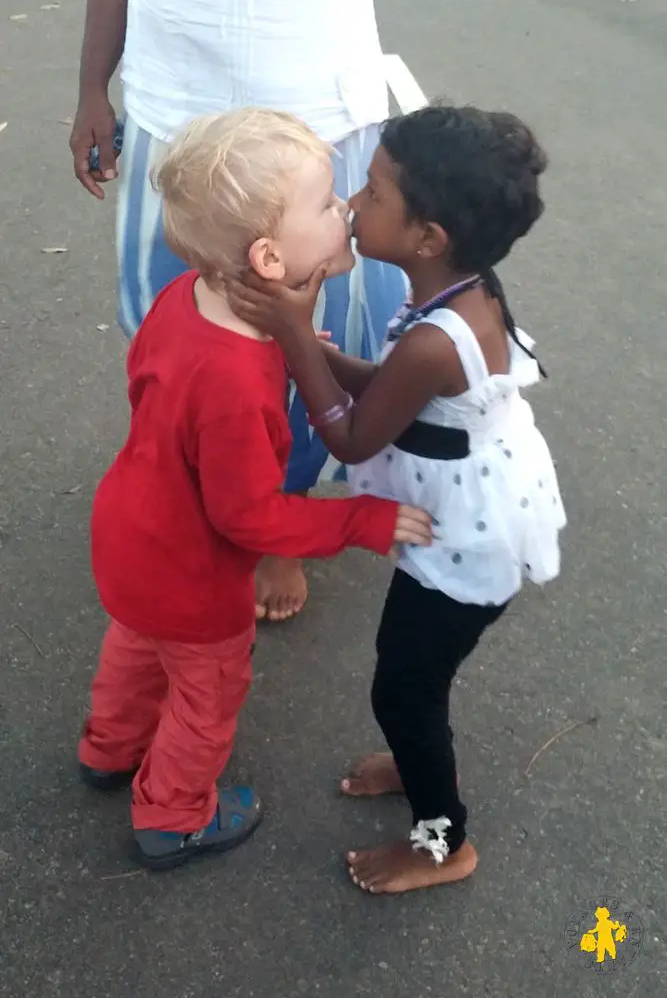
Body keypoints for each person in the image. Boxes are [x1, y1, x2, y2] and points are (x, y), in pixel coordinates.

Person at [77, 109, 433, 872]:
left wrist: (286, 348)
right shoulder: (237, 384)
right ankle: (172, 816)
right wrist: (359, 522)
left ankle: (107, 750)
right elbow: (249, 518)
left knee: (136, 647)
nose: (343, 212)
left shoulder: (186, 299)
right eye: (325, 204)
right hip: (192, 574)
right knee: (205, 697)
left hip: (129, 534)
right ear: (270, 257)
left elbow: (164, 385)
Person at [229, 104, 567, 894]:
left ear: (427, 238)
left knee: (403, 685)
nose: (349, 204)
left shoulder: (431, 339)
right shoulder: (456, 292)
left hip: (465, 544)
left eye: (373, 193)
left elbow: (352, 439)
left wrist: (291, 333)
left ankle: (443, 839)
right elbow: (388, 394)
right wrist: (326, 356)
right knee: (414, 682)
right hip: (472, 509)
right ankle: (416, 758)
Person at [69, 0, 409, 622]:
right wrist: (93, 84)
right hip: (180, 101)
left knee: (298, 340)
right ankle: (201, 493)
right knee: (194, 337)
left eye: (344, 203)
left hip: (313, 98)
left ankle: (278, 512)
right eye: (337, 206)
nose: (350, 211)